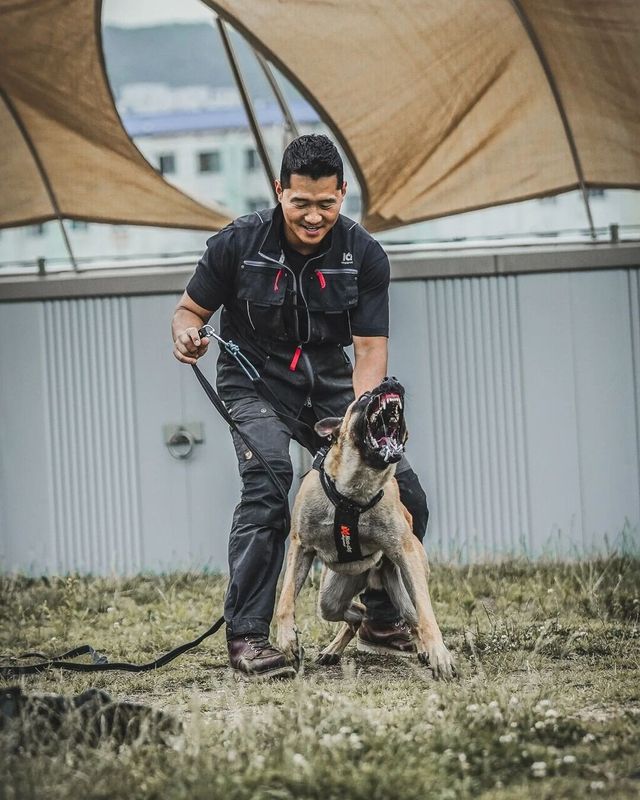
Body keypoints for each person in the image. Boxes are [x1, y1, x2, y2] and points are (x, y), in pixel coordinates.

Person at [171, 134, 429, 679]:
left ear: (342, 194)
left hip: (332, 384)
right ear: (279, 191)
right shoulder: (236, 245)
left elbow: (369, 352)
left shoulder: (364, 256)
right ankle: (248, 637)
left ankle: (381, 619)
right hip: (254, 384)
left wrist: (361, 428)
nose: (314, 217)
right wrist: (187, 335)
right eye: (301, 203)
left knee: (407, 494)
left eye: (326, 204)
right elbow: (189, 312)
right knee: (269, 485)